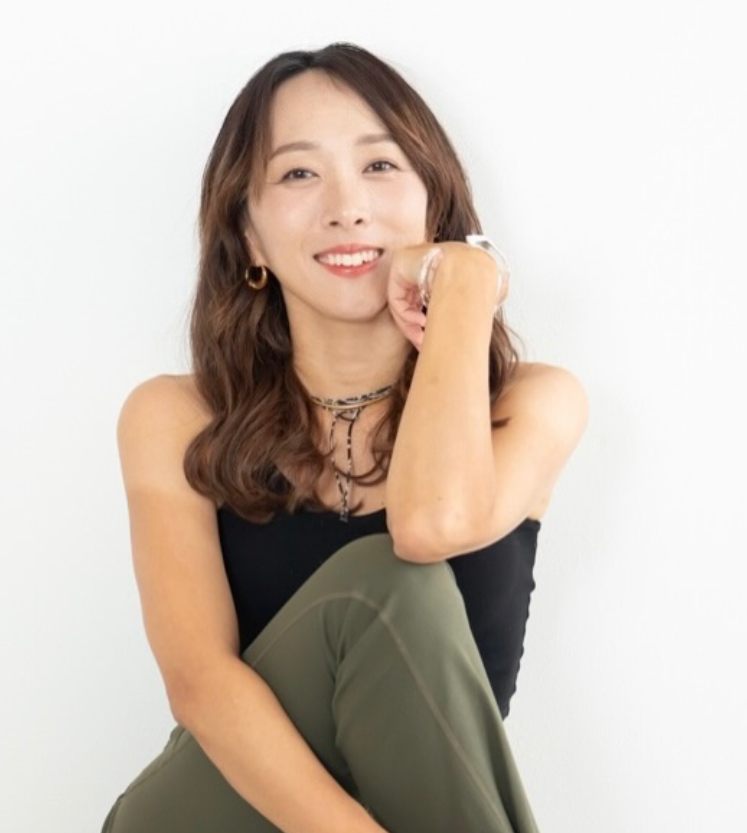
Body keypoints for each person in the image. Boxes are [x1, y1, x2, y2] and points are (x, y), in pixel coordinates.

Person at [101, 42, 588, 833]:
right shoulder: (176, 417)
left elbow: (428, 526)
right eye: (298, 173)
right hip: (212, 819)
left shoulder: (529, 405)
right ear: (249, 236)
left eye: (379, 165)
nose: (346, 207)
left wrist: (466, 285)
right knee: (378, 583)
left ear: (435, 208)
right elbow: (199, 684)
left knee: (399, 578)